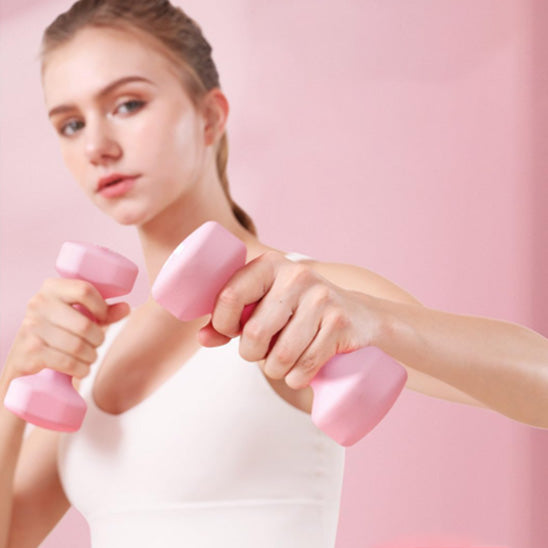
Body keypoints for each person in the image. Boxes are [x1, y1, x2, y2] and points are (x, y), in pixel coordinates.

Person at [1, 0, 547, 546]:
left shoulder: (310, 299)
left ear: (210, 116)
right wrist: (13, 378)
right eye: (71, 124)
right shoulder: (91, 354)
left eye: (128, 103)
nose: (97, 146)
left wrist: (377, 319)